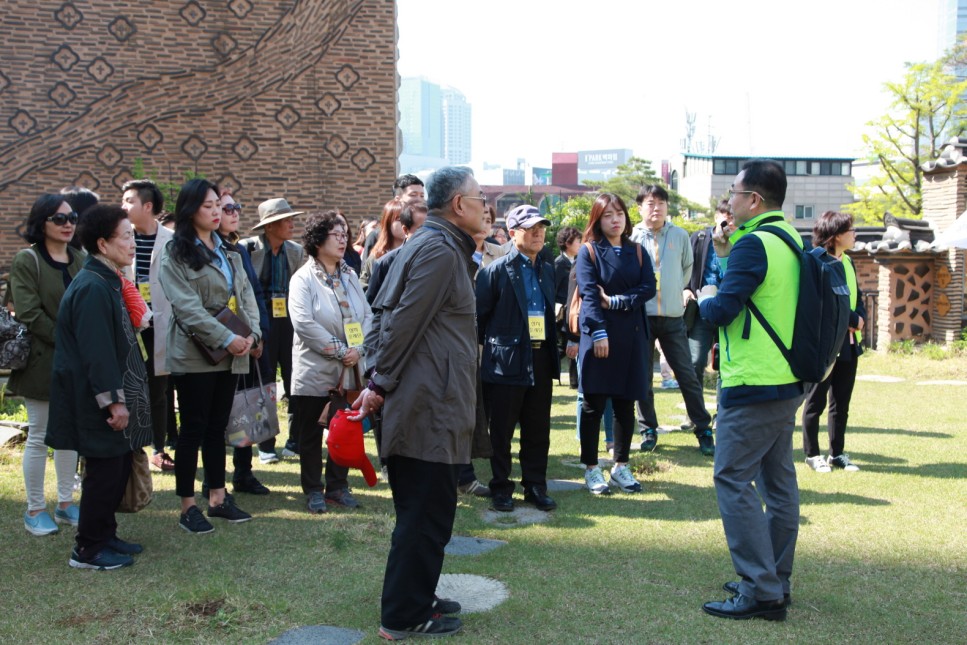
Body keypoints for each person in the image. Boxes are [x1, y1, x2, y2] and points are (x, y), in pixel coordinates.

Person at [351, 166, 487, 639]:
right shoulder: (439, 250)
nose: (486, 207)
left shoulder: (435, 245)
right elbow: (403, 321)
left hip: (430, 398)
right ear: (459, 205)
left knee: (428, 511)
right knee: (423, 515)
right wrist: (379, 383)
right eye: (480, 197)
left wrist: (379, 380)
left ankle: (418, 596)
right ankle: (403, 615)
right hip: (427, 402)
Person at [698, 159, 803, 621]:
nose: (730, 201)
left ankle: (761, 589)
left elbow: (723, 310)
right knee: (778, 484)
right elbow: (761, 296)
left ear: (754, 199)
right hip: (786, 378)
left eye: (734, 193)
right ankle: (775, 579)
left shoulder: (753, 243)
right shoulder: (789, 238)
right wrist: (725, 255)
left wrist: (704, 297)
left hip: (752, 381)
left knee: (732, 478)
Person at [45, 204, 152, 569]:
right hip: (96, 398)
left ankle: (105, 534)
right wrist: (114, 402)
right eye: (126, 237)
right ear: (103, 244)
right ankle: (88, 548)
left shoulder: (106, 279)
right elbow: (97, 351)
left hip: (108, 393)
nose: (132, 243)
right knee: (104, 472)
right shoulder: (92, 286)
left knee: (117, 466)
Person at [160, 178, 261, 534]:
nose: (217, 211)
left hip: (232, 351)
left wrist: (252, 334)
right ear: (190, 210)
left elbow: (246, 296)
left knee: (218, 428)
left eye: (219, 204)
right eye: (209, 206)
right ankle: (188, 506)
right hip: (194, 353)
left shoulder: (229, 251)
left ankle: (218, 498)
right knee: (193, 428)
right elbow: (187, 308)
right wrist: (227, 337)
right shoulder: (175, 252)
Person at [8, 194, 84, 536]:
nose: (68, 224)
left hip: (78, 361)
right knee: (40, 435)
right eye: (59, 218)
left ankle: (66, 503)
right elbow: (28, 312)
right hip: (43, 360)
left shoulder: (80, 258)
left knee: (70, 433)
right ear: (42, 223)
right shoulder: (28, 260)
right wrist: (68, 341)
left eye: (72, 217)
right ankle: (35, 509)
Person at [289, 211, 372, 513]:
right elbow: (303, 323)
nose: (342, 239)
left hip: (350, 369)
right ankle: (313, 489)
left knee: (345, 428)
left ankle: (337, 485)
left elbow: (367, 316)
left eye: (345, 234)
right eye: (335, 234)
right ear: (317, 240)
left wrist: (358, 349)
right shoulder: (303, 279)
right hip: (316, 369)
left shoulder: (349, 275)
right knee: (311, 433)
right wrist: (340, 350)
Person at [477, 205, 559, 512]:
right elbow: (479, 320)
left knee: (538, 428)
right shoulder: (495, 271)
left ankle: (535, 486)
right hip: (506, 360)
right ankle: (501, 486)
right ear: (513, 233)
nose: (538, 233)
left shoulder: (547, 269)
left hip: (541, 356)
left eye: (541, 228)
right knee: (502, 430)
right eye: (531, 228)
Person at [576, 193, 656, 495]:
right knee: (593, 405)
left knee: (625, 404)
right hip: (600, 336)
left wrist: (617, 301)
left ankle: (621, 465)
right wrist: (598, 333)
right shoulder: (589, 251)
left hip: (632, 336)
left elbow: (648, 287)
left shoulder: (637, 251)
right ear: (598, 219)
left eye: (619, 213)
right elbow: (588, 293)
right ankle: (591, 468)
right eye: (608, 215)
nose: (615, 220)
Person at [629, 185, 715, 456]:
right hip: (641, 318)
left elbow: (687, 268)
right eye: (650, 203)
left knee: (687, 375)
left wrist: (674, 288)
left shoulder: (679, 235)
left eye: (661, 203)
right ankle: (648, 430)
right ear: (640, 208)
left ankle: (703, 428)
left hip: (673, 316)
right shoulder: (631, 237)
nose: (656, 208)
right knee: (643, 378)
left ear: (667, 207)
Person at [210, 190, 271, 495]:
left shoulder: (239, 250)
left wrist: (259, 334)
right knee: (217, 413)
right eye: (227, 208)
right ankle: (213, 479)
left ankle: (243, 473)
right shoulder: (202, 250)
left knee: (245, 404)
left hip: (245, 338)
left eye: (237, 207)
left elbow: (254, 294)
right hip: (213, 341)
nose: (234, 212)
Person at [241, 198, 307, 463]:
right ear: (269, 226)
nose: (292, 224)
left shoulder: (296, 251)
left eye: (291, 219)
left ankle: (295, 440)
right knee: (263, 383)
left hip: (289, 322)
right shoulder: (248, 249)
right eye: (286, 220)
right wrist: (254, 333)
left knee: (295, 381)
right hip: (262, 322)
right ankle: (265, 445)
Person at [801, 211, 865, 473]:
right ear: (836, 235)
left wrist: (860, 316)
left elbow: (857, 296)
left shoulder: (848, 262)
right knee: (815, 402)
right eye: (850, 230)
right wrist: (851, 317)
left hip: (849, 342)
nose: (855, 234)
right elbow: (822, 302)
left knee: (841, 402)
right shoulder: (817, 262)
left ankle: (836, 453)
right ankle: (812, 454)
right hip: (825, 344)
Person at [120, 179, 175, 472]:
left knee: (158, 389)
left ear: (148, 206)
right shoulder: (118, 236)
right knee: (126, 385)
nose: (123, 206)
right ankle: (128, 445)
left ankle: (158, 448)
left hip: (160, 323)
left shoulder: (171, 240)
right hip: (128, 324)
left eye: (129, 201)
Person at [685, 199, 734, 389]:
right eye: (725, 218)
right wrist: (686, 288)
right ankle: (694, 406)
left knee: (726, 362)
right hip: (701, 308)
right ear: (716, 217)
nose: (729, 223)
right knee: (695, 360)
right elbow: (686, 266)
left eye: (732, 218)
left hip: (728, 309)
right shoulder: (699, 238)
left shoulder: (741, 241)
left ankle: (722, 406)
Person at [363, 174, 425, 261]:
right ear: (397, 199)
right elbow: (367, 267)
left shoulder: (426, 229)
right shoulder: (376, 235)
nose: (419, 200)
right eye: (413, 195)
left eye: (422, 196)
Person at [555, 225, 582, 388]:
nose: (580, 243)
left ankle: (574, 381)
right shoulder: (559, 263)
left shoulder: (578, 261)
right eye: (577, 240)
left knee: (573, 342)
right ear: (567, 243)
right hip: (562, 312)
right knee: (563, 346)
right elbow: (554, 288)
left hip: (574, 311)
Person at [359, 198, 404, 289]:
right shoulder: (376, 257)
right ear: (388, 222)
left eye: (407, 218)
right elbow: (363, 287)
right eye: (399, 219)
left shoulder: (416, 252)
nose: (404, 223)